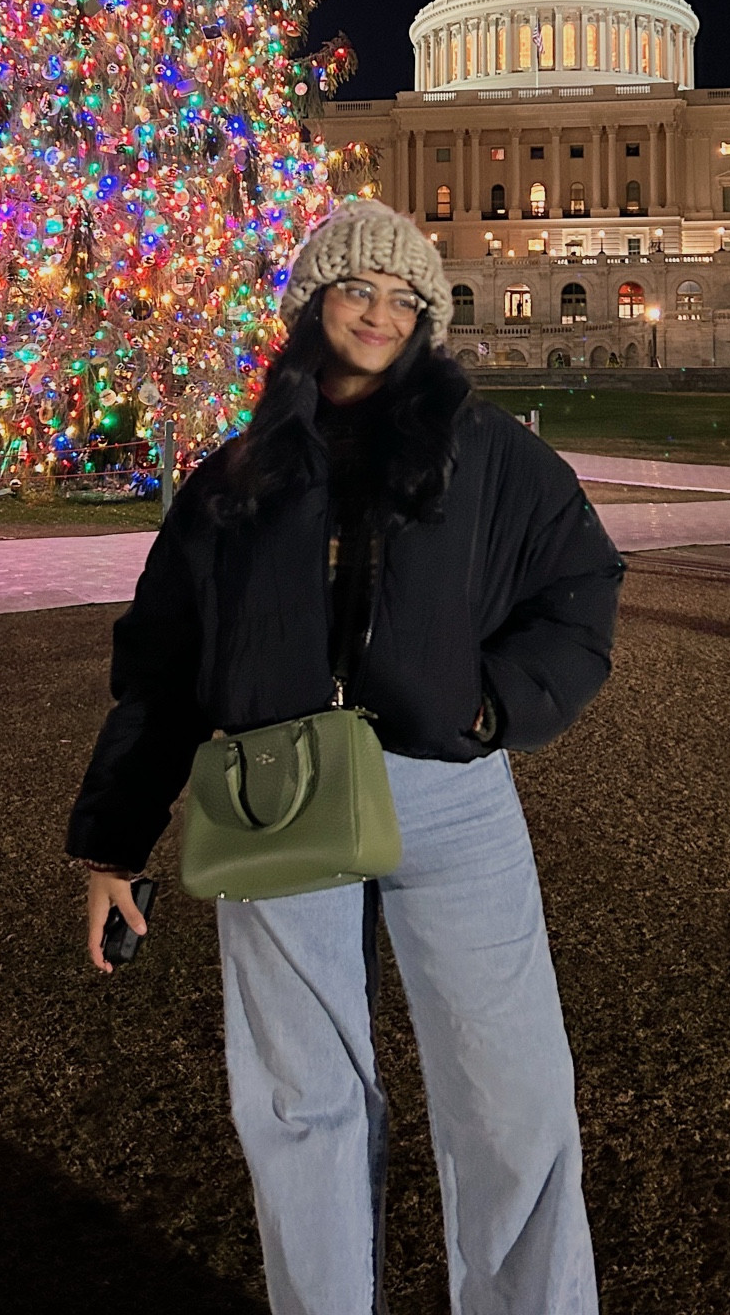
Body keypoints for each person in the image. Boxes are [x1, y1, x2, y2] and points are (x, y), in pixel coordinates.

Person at [67, 199, 623, 1314]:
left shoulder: (489, 452)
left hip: (445, 791)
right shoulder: (237, 475)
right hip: (277, 794)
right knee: (298, 1103)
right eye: (358, 288)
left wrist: (486, 707)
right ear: (313, 301)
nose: (380, 314)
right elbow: (162, 662)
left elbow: (580, 589)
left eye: (405, 297)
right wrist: (113, 842)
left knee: (511, 1099)